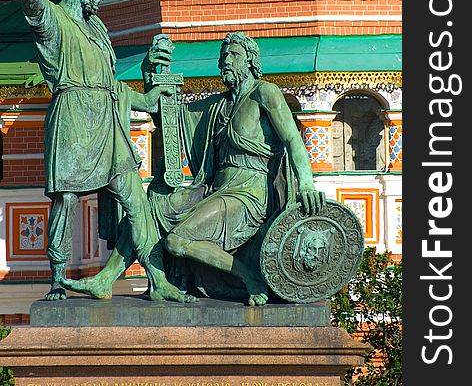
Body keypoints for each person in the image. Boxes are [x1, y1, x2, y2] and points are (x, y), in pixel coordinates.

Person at [61, 32, 325, 305]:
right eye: (223, 56)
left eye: (233, 55)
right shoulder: (220, 104)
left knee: (176, 241)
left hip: (249, 194)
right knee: (152, 206)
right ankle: (106, 279)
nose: (226, 61)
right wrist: (151, 72)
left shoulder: (264, 93)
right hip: (214, 188)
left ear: (250, 60)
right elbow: (169, 113)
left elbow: (293, 139)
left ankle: (249, 277)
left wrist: (306, 183)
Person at [19, 0, 193, 303]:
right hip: (72, 118)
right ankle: (57, 277)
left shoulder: (97, 29)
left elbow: (110, 82)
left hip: (107, 120)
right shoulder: (57, 20)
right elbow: (31, 2)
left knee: (135, 199)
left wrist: (146, 98)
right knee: (66, 198)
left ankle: (158, 279)